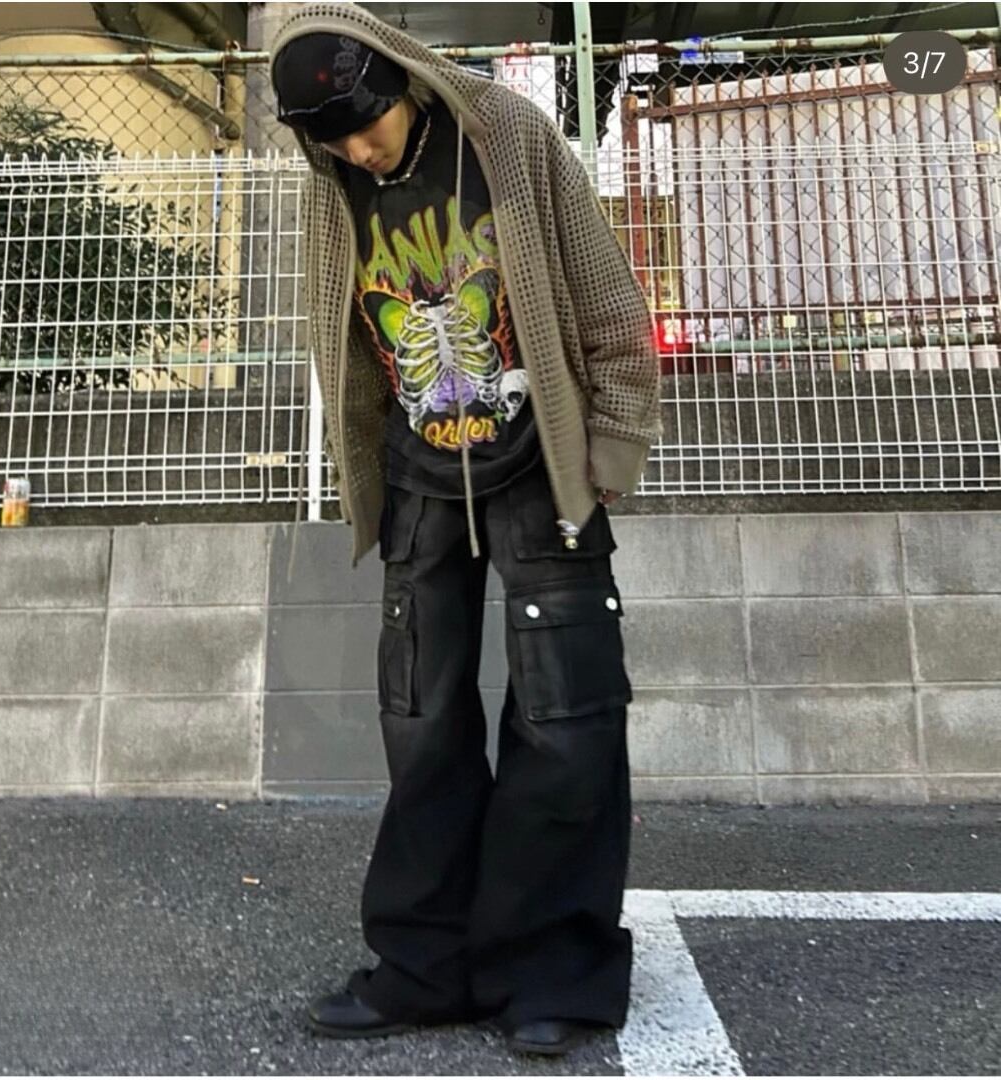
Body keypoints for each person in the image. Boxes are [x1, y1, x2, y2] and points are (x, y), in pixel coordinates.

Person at [271, 1, 661, 1058]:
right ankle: (422, 967)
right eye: (335, 140)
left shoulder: (506, 132)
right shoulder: (333, 184)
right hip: (419, 477)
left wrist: (611, 444)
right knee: (421, 718)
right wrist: (364, 469)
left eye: (367, 125)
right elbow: (344, 329)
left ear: (398, 77)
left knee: (566, 718)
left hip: (542, 467)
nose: (360, 149)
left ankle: (551, 972)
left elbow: (606, 294)